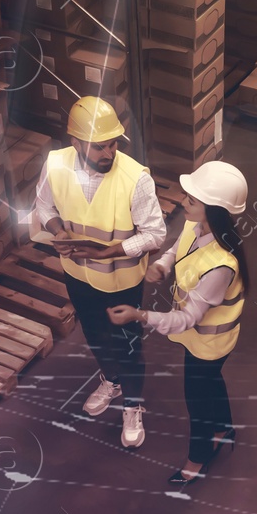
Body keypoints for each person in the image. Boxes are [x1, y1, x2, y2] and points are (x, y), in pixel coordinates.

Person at [34, 96, 166, 447]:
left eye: (113, 145)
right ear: (76, 143)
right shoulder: (56, 164)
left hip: (121, 282)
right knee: (94, 335)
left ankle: (132, 406)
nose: (108, 153)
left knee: (128, 346)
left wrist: (112, 250)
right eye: (99, 147)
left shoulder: (136, 178)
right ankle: (111, 379)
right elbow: (43, 204)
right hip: (77, 275)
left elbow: (156, 233)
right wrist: (58, 230)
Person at [107, 161, 248, 486]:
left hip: (208, 344)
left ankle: (197, 459)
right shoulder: (195, 226)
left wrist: (138, 315)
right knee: (211, 383)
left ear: (214, 210)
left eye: (193, 199)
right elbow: (177, 250)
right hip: (200, 339)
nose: (185, 202)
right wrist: (161, 265)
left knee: (196, 399)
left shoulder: (220, 265)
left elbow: (186, 318)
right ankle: (222, 427)